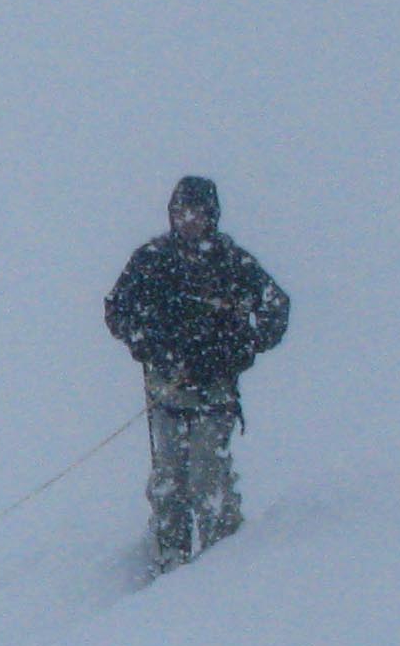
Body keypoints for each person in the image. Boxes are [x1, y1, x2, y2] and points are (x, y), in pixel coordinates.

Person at [105, 175, 290, 570]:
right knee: (168, 482)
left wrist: (242, 347)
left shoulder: (232, 262)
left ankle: (221, 566)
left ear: (212, 216)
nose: (188, 219)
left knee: (209, 478)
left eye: (197, 212)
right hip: (165, 392)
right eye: (180, 211)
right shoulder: (151, 259)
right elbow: (116, 308)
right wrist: (146, 343)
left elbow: (275, 307)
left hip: (216, 391)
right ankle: (169, 564)